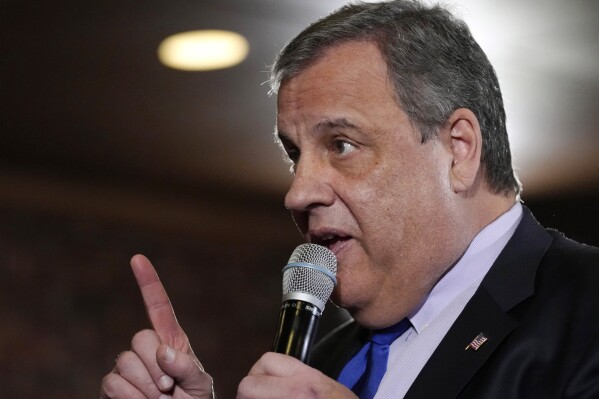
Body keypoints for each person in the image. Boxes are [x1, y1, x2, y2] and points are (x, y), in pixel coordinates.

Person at [100, 1, 599, 398]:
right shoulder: (324, 360)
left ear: (458, 150)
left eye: (341, 144)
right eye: (296, 155)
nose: (297, 192)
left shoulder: (586, 310)